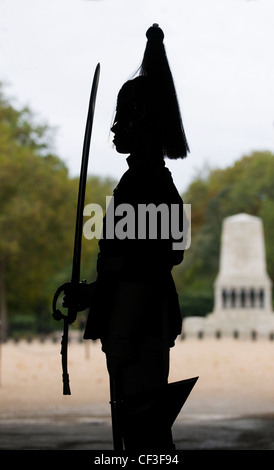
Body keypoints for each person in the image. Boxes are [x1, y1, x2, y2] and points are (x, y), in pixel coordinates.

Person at [65, 24, 189, 451]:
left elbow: (144, 268)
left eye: (125, 117)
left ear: (144, 123)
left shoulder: (143, 184)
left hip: (137, 323)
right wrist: (93, 295)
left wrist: (119, 330)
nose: (116, 127)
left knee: (143, 440)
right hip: (138, 318)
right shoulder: (146, 180)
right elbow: (137, 263)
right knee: (141, 433)